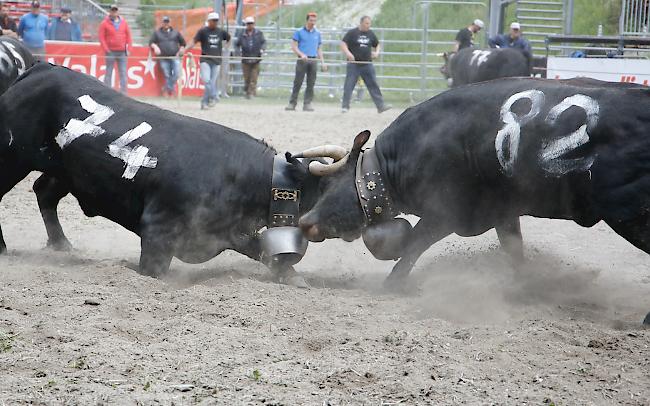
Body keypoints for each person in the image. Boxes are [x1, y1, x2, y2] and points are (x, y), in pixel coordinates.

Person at [340, 16, 390, 114]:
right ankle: (345, 106)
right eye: (367, 23)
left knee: (373, 84)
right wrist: (348, 53)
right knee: (349, 85)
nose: (368, 25)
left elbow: (377, 44)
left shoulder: (370, 34)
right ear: (361, 23)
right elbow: (343, 43)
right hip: (354, 64)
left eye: (369, 23)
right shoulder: (352, 33)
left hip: (367, 63)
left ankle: (380, 106)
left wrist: (376, 53)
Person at [184, 12, 230, 110]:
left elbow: (228, 38)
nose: (215, 22)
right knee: (206, 80)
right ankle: (214, 96)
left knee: (211, 83)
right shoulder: (203, 31)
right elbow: (193, 41)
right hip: (205, 59)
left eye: (216, 20)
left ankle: (204, 102)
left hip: (217, 60)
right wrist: (185, 49)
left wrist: (226, 48)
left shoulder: (221, 32)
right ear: (209, 21)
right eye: (213, 20)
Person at [285, 12, 327, 112]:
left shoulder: (317, 33)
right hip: (302, 60)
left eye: (314, 21)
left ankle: (307, 103)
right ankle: (292, 103)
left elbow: (319, 48)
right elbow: (294, 46)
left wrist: (322, 61)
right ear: (307, 20)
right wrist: (301, 54)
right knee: (298, 82)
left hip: (313, 60)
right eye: (311, 20)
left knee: (311, 83)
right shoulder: (299, 32)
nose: (313, 22)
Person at [99, 4, 132, 94]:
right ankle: (107, 92)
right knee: (109, 72)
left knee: (123, 72)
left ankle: (124, 93)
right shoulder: (104, 23)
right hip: (111, 51)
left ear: (118, 11)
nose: (114, 12)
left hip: (122, 52)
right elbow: (101, 37)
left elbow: (128, 36)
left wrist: (128, 48)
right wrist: (106, 49)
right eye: (112, 10)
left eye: (115, 10)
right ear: (110, 11)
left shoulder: (124, 22)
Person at [149, 15, 185, 97]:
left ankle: (166, 88)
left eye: (167, 22)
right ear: (162, 23)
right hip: (163, 57)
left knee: (177, 73)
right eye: (165, 22)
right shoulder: (157, 33)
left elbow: (183, 43)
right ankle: (170, 91)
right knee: (167, 75)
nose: (166, 23)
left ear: (169, 23)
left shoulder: (175, 32)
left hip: (174, 57)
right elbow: (151, 42)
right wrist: (155, 46)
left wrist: (181, 50)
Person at [235, 16, 265, 99]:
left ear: (254, 24)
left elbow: (263, 42)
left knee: (254, 77)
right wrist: (238, 53)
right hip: (245, 59)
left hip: (256, 59)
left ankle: (251, 93)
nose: (250, 25)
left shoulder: (259, 33)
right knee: (247, 78)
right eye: (248, 24)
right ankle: (247, 92)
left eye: (251, 23)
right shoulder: (242, 35)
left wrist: (262, 49)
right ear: (246, 25)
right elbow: (237, 45)